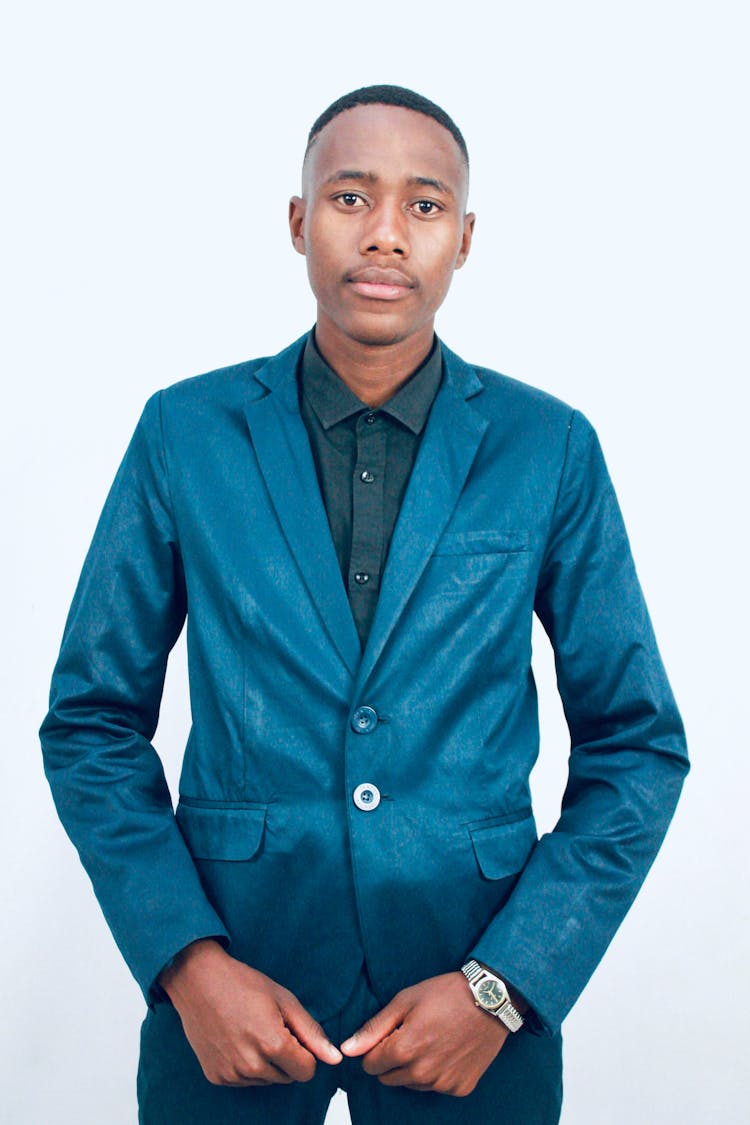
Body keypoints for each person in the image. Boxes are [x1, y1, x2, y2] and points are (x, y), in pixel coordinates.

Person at [40, 84, 689, 1124]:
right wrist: (187, 963)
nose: (385, 233)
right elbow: (90, 721)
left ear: (466, 238)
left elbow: (638, 747)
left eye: (424, 206)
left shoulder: (549, 447)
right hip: (236, 986)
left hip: (468, 997)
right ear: (298, 221)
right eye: (350, 197)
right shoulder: (186, 433)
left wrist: (504, 986)